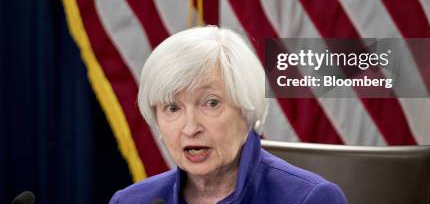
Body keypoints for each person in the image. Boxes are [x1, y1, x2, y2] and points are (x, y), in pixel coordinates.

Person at [109, 26, 347, 204]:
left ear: (246, 108)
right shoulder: (132, 201)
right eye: (173, 108)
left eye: (211, 103)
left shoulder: (310, 198)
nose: (190, 128)